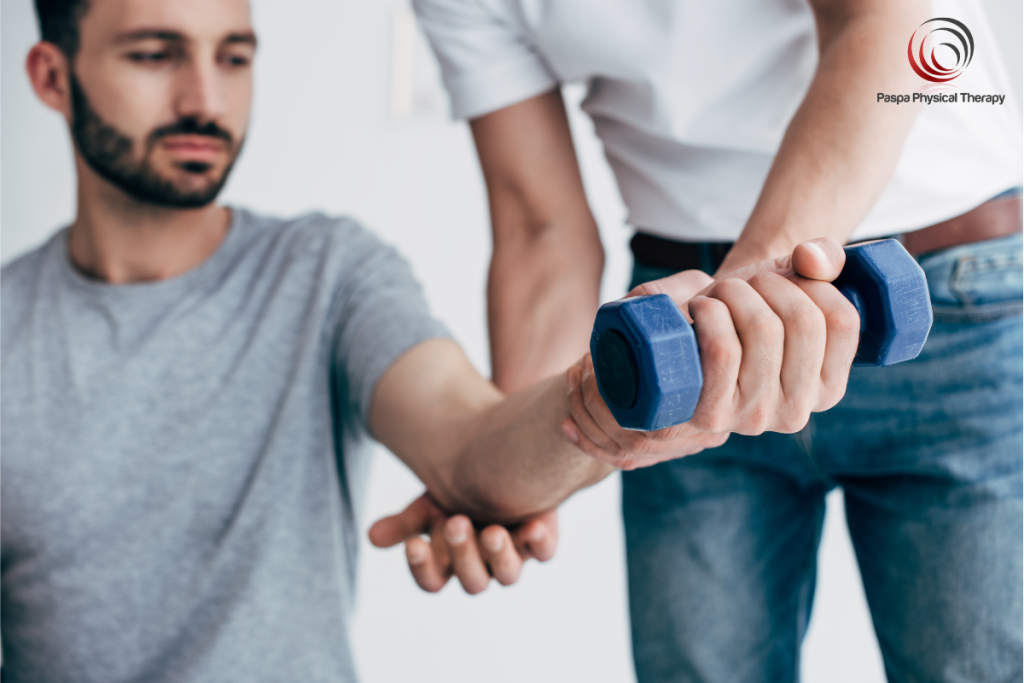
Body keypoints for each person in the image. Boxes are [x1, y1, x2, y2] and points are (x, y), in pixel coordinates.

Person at [0, 0, 865, 681]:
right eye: (154, 55)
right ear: (52, 76)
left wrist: (609, 398)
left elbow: (469, 442)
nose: (204, 98)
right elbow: (539, 236)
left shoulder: (326, 272)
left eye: (234, 56)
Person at [392, 0, 1024, 680]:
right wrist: (513, 469)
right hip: (681, 334)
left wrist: (751, 298)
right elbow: (541, 231)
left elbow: (880, 24)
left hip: (924, 295)